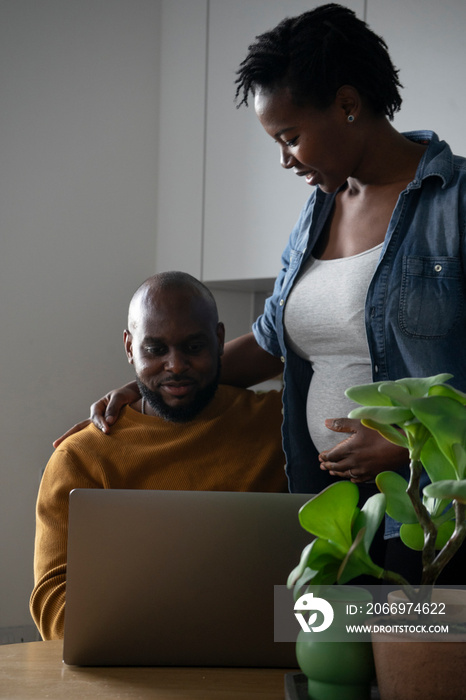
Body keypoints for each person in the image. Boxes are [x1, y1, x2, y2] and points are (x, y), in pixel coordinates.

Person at [55, 5, 466, 580]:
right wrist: (147, 387)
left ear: (348, 105)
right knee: (336, 668)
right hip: (333, 513)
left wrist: (412, 449)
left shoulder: (455, 203)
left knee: (411, 666)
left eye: (291, 137)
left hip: (433, 521)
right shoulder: (318, 210)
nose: (284, 160)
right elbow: (272, 342)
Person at [31, 271, 287, 640]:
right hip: (131, 673)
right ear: (129, 347)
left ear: (219, 341)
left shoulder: (278, 424)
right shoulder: (81, 458)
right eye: (155, 350)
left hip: (263, 657)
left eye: (193, 346)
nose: (176, 365)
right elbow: (54, 607)